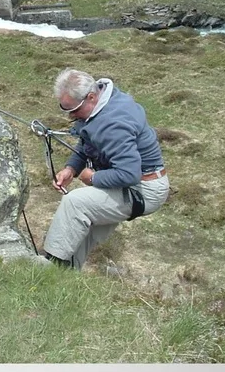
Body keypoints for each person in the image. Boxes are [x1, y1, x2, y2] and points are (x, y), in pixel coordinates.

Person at [41, 68, 170, 270]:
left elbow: (129, 174)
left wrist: (92, 178)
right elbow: (89, 141)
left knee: (75, 204)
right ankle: (62, 276)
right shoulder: (102, 103)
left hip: (144, 189)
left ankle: (49, 267)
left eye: (73, 110)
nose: (71, 117)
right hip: (137, 183)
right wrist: (71, 169)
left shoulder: (113, 123)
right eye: (65, 110)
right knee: (81, 230)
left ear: (91, 97)